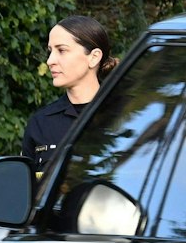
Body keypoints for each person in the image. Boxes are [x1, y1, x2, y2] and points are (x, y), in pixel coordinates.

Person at [22, 15, 116, 168]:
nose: (50, 61)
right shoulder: (41, 124)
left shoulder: (124, 115)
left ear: (93, 57)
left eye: (62, 50)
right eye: (50, 51)